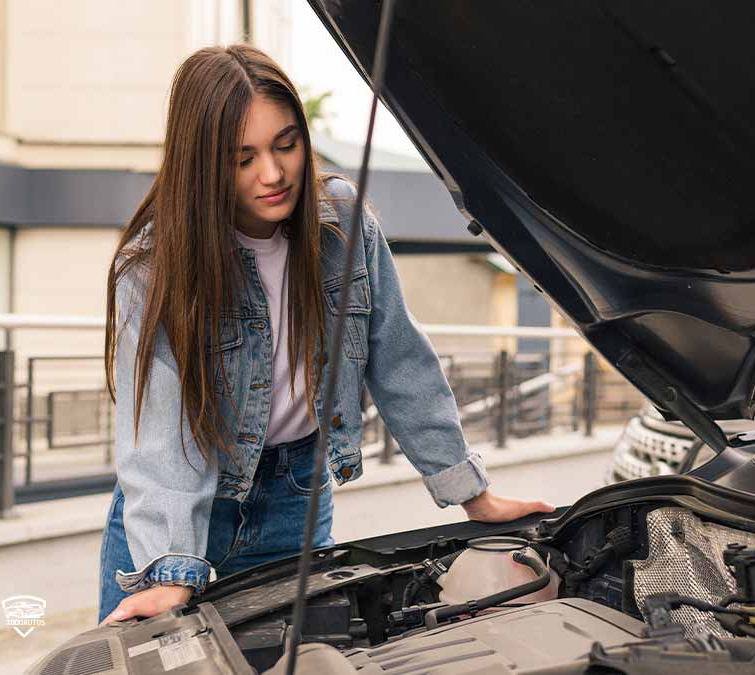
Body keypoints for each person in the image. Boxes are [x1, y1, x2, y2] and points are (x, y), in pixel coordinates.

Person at [96, 44, 553, 625]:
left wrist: (470, 490)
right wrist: (171, 570)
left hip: (296, 500)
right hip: (176, 517)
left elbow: (400, 362)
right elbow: (160, 432)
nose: (273, 173)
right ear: (201, 163)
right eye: (242, 158)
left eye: (286, 144)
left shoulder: (343, 224)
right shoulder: (154, 266)